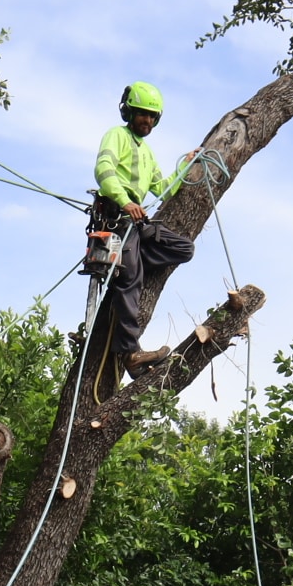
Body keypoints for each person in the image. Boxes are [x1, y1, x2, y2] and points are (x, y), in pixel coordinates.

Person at [84, 80, 197, 399]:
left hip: (138, 225)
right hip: (118, 218)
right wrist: (125, 200)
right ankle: (131, 352)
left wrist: (185, 166)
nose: (146, 121)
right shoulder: (116, 136)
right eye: (141, 115)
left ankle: (132, 265)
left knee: (183, 249)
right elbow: (103, 170)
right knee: (130, 279)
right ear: (128, 113)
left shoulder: (147, 154)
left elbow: (163, 189)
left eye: (152, 117)